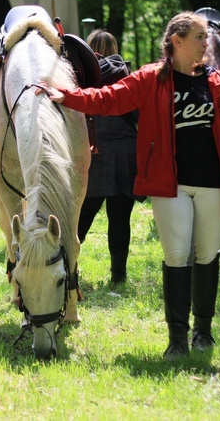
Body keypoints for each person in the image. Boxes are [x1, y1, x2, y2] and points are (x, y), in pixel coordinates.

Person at [36, 12, 220, 360]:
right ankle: (177, 339)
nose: (205, 44)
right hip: (171, 185)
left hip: (214, 186)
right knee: (176, 256)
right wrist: (66, 96)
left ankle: (204, 332)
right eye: (199, 36)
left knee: (207, 254)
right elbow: (108, 99)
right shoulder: (151, 78)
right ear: (177, 41)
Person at [79, 30, 144, 285]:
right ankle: (118, 276)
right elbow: (139, 116)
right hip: (124, 154)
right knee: (120, 218)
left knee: (83, 214)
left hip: (93, 152)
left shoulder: (81, 76)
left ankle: (64, 263)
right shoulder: (126, 77)